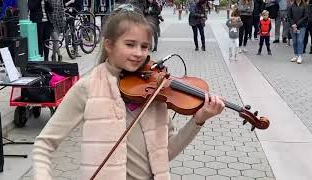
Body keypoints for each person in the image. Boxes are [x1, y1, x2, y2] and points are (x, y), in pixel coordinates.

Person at [32, 4, 225, 180]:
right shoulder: (88, 87)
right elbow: (43, 145)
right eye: (130, 44)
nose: (139, 53)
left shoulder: (156, 91)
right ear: (109, 45)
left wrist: (198, 120)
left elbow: (164, 154)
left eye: (144, 46)